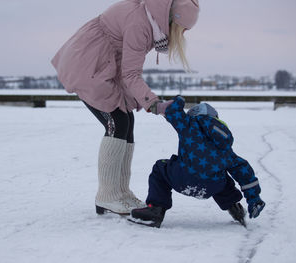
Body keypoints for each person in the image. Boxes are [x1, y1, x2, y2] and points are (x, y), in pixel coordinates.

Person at [51, 0, 200, 215]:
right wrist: (154, 104)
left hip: (102, 64)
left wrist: (144, 100)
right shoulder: (140, 23)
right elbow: (131, 74)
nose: (182, 35)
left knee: (126, 120)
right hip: (88, 65)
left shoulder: (149, 17)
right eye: (183, 29)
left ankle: (120, 192)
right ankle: (107, 196)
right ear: (173, 20)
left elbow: (126, 65)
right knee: (117, 122)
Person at [130, 96, 266, 227]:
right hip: (212, 187)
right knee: (221, 177)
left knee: (160, 167)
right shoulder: (224, 146)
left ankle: (156, 210)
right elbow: (244, 172)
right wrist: (254, 199)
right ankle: (235, 208)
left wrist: (178, 100)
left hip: (183, 178)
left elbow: (172, 112)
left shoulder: (189, 124)